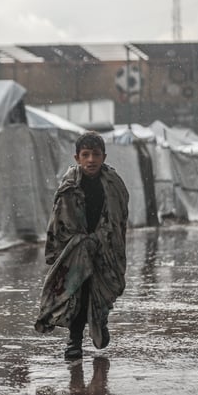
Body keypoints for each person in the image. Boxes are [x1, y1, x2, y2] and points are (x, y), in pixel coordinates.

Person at [34, 131, 129, 360]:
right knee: (78, 293)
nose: (91, 160)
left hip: (105, 249)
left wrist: (104, 239)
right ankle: (74, 341)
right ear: (77, 158)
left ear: (104, 156)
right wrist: (60, 251)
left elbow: (120, 218)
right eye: (85, 155)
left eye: (95, 154)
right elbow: (58, 221)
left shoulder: (114, 185)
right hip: (76, 250)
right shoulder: (68, 186)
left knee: (103, 291)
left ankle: (100, 322)